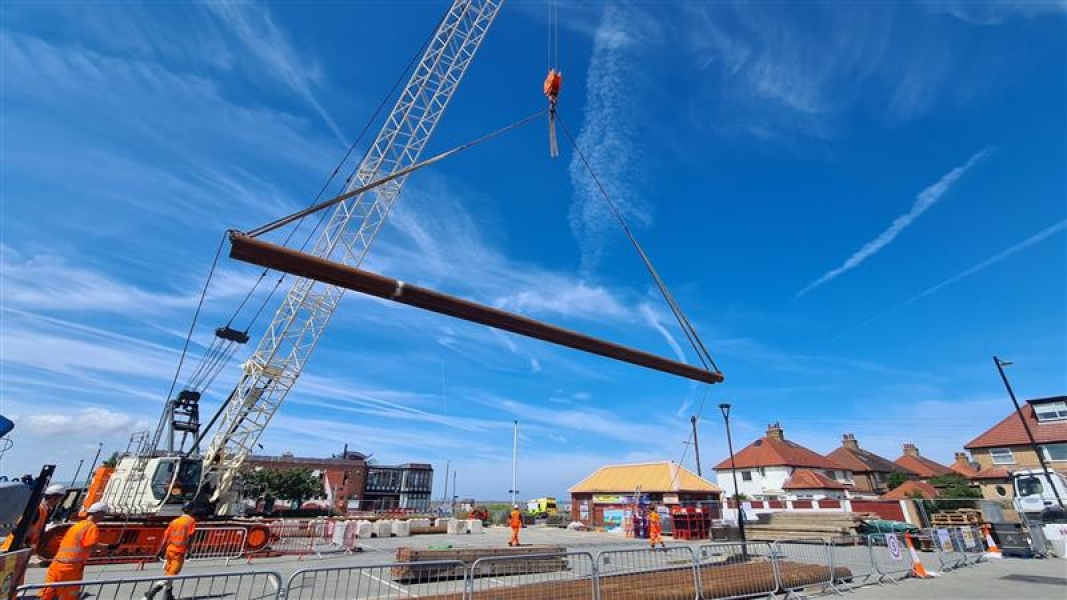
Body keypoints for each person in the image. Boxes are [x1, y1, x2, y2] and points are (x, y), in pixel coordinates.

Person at [40, 502, 111, 600]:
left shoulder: (76, 526)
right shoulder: (91, 527)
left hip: (56, 565)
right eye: (103, 515)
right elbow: (92, 545)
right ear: (98, 513)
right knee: (69, 596)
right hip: (71, 568)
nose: (103, 517)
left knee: (46, 595)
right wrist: (109, 547)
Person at [144, 503, 198, 600]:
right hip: (179, 552)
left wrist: (160, 550)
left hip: (169, 551)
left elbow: (165, 537)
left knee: (169, 572)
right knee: (172, 574)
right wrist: (189, 550)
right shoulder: (191, 521)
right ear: (191, 510)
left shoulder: (174, 521)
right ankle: (151, 593)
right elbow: (190, 537)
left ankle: (168, 595)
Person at [2, 484, 66, 554]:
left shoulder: (44, 510)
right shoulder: (37, 510)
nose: (58, 503)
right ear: (54, 498)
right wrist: (26, 545)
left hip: (21, 551)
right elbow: (17, 530)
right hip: (12, 550)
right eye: (59, 500)